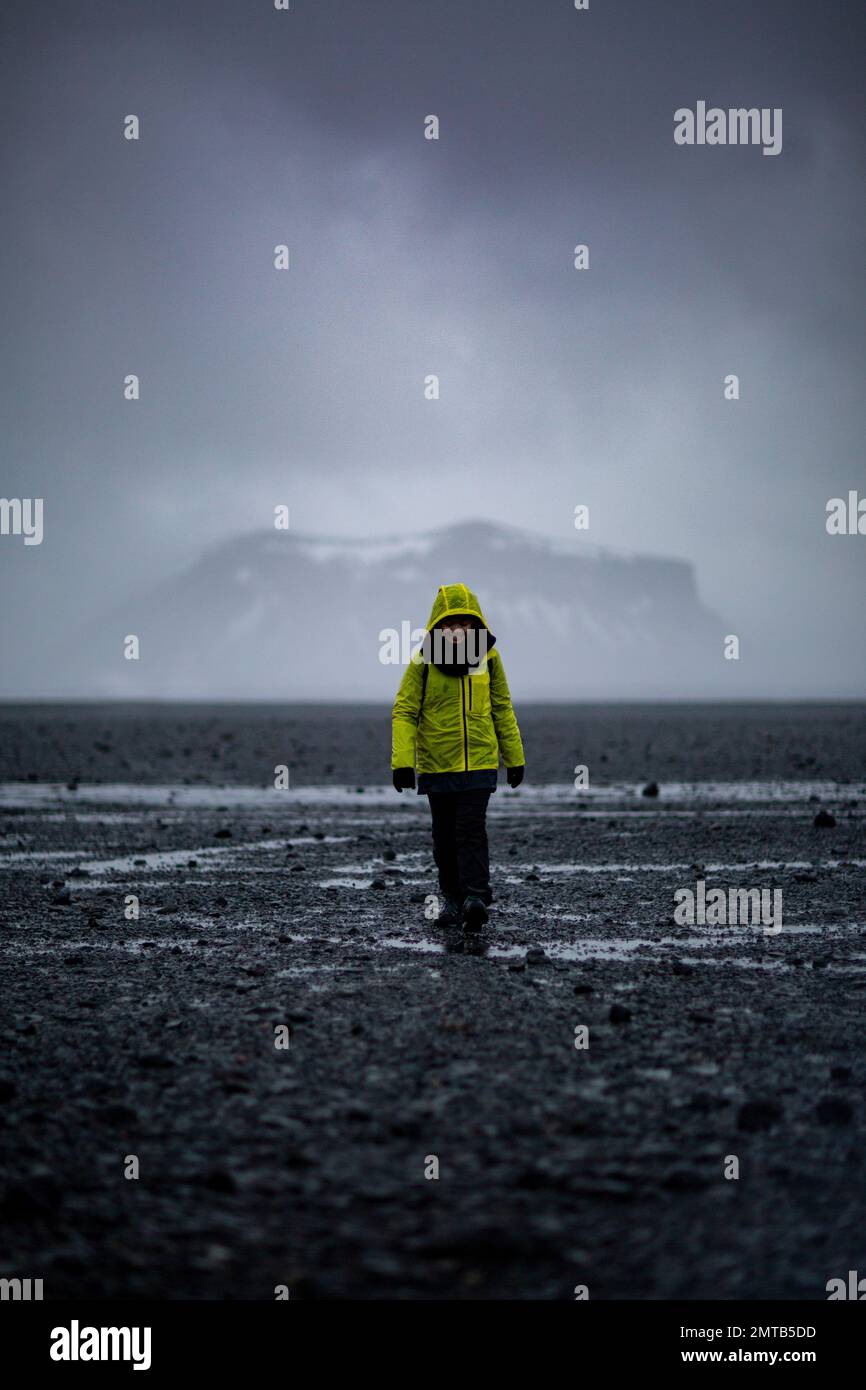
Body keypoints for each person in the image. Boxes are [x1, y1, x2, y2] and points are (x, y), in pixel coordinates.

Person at [391, 582, 525, 928]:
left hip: (480, 763)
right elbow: (405, 710)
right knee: (444, 835)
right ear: (437, 625)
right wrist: (403, 762)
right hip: (437, 765)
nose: (456, 631)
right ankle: (450, 897)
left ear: (475, 624)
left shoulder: (489, 657)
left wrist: (514, 757)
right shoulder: (424, 659)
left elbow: (502, 707)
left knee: (471, 830)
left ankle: (476, 897)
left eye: (463, 624)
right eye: (449, 624)